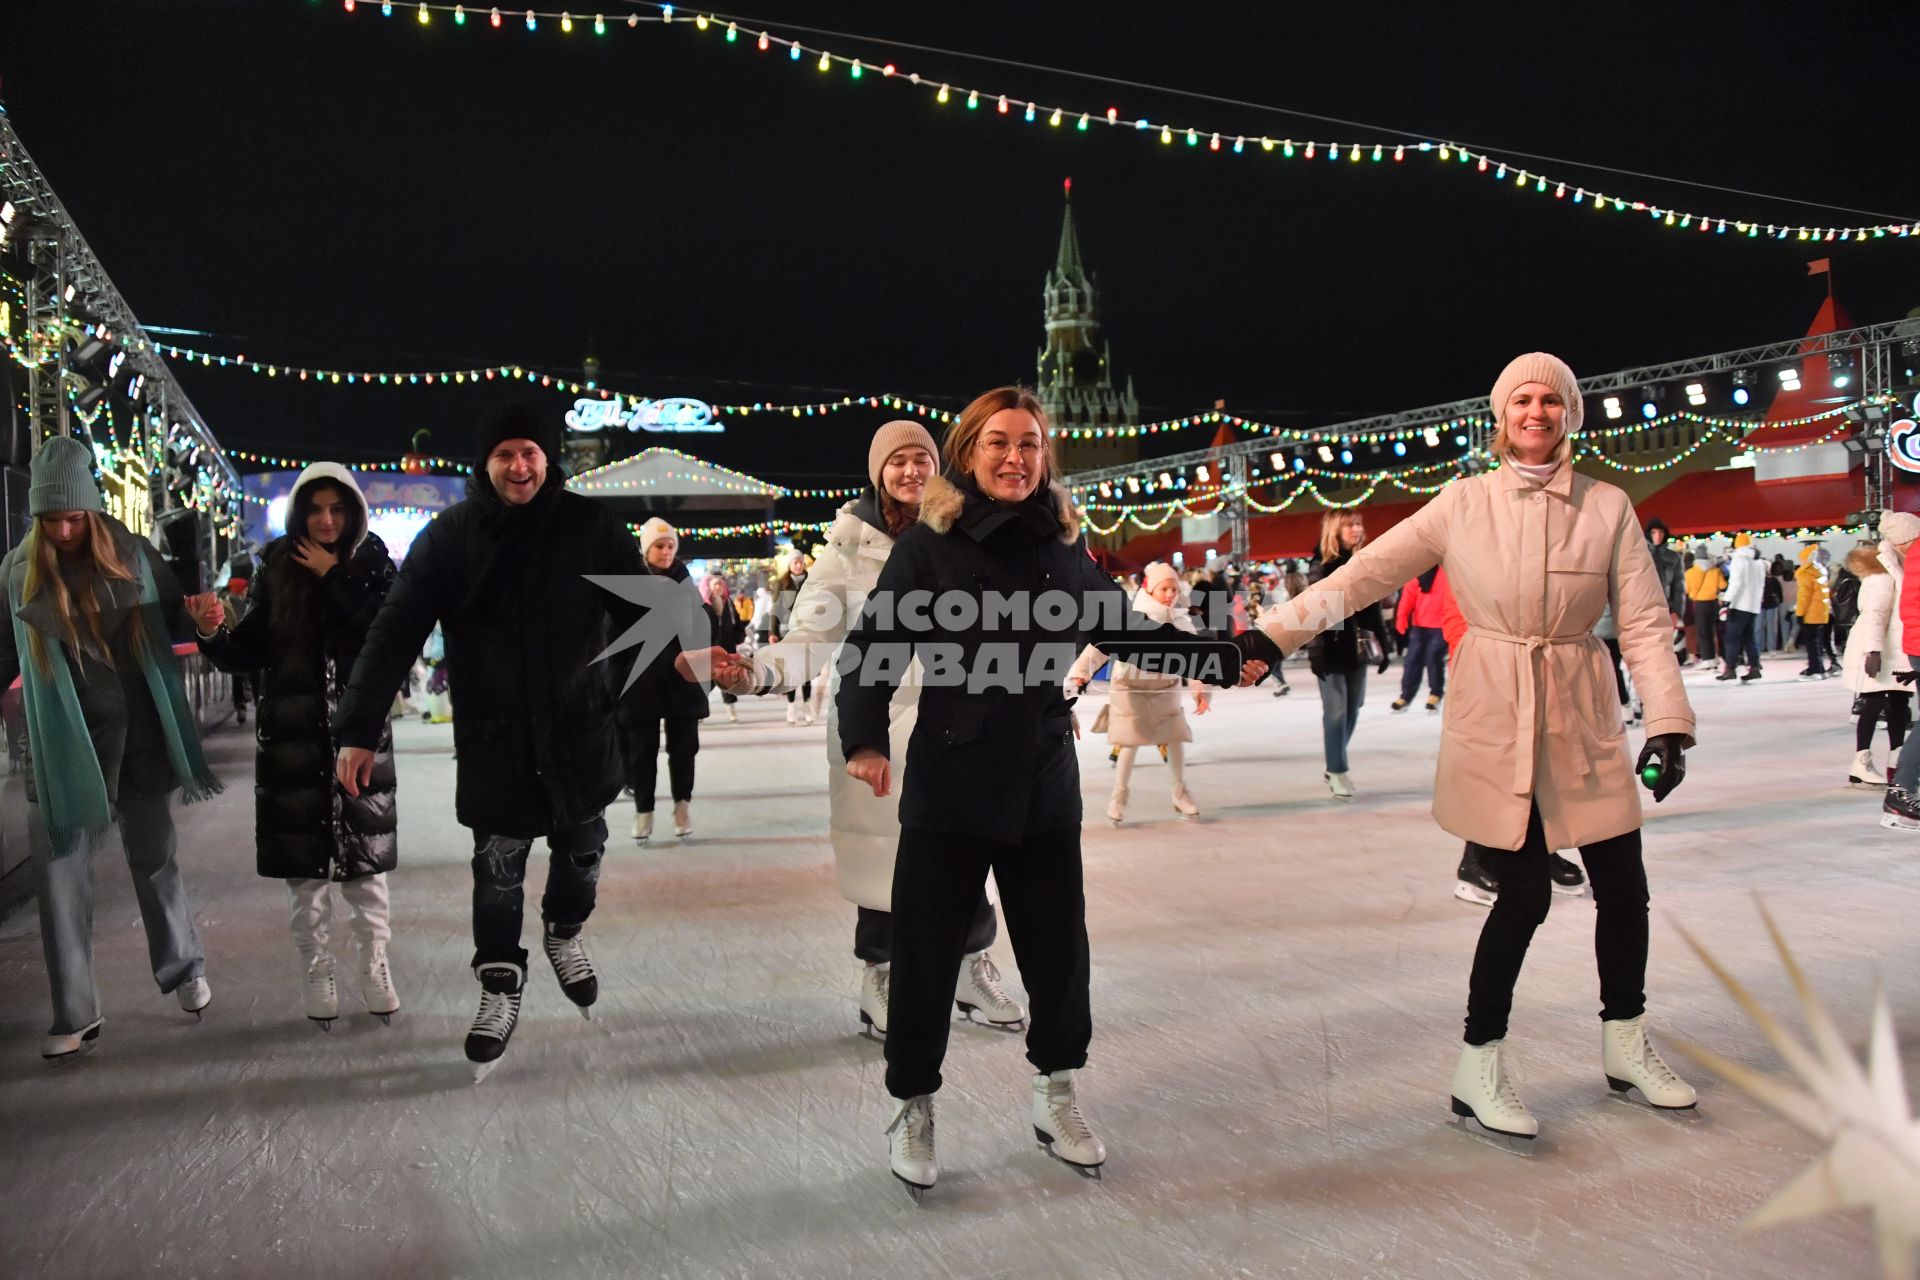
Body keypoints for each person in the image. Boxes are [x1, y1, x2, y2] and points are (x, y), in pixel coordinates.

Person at [833, 386, 1268, 1197]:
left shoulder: (1060, 545)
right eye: (998, 443)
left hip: (1039, 780)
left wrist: (1219, 655)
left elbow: (1123, 624)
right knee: (926, 957)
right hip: (951, 781)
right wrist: (862, 735)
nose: (1015, 458)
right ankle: (914, 1104)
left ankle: (1055, 1092)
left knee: (1058, 954)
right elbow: (875, 643)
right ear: (969, 452)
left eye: (1030, 444)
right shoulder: (930, 545)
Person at [1257, 353, 1698, 1149]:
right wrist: (1269, 635)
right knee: (1524, 894)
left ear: (1571, 415)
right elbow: (1362, 576)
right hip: (1497, 710)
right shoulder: (1462, 503)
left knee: (1624, 889)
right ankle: (1478, 1062)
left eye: (1552, 400)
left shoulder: (1607, 507)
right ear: (1501, 417)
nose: (1537, 411)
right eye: (1522, 399)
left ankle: (1625, 1043)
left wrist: (1667, 720)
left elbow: (1641, 620)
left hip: (1584, 708)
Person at [331, 401, 656, 1080]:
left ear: (548, 458)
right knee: (498, 876)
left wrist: (694, 663)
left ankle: (565, 931)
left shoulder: (591, 527)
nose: (520, 466)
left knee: (584, 852)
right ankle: (500, 988)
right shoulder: (450, 539)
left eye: (531, 452)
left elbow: (647, 616)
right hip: (496, 743)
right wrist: (359, 728)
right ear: (485, 463)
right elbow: (394, 631)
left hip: (578, 737)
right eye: (505, 453)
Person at [696, 420, 1025, 1042]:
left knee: (968, 853)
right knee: (884, 861)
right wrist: (755, 673)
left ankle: (968, 965)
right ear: (878, 473)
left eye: (921, 458)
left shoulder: (970, 531)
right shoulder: (848, 551)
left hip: (966, 724)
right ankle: (881, 975)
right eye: (896, 461)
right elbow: (808, 641)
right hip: (879, 730)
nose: (910, 472)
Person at [0, 437, 219, 1059]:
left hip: (139, 735)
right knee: (59, 876)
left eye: (74, 517)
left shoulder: (136, 556)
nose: (65, 531)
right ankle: (74, 1012)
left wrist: (203, 619)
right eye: (53, 520)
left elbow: (178, 618)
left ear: (93, 511)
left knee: (154, 859)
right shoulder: (16, 572)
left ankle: (183, 966)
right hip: (62, 740)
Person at [190, 465, 401, 1029]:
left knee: (365, 864)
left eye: (337, 509)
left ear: (352, 510)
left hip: (359, 737)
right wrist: (212, 633)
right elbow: (249, 649)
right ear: (300, 512)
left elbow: (382, 637)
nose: (326, 520)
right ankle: (316, 967)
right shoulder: (278, 565)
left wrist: (336, 576)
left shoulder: (374, 563)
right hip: (292, 741)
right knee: (304, 871)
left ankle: (375, 959)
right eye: (316, 509)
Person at [1068, 560, 1212, 824]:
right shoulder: (1134, 615)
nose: (1169, 595)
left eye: (1173, 589)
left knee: (1175, 737)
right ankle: (1118, 797)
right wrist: (1082, 670)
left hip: (1165, 688)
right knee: (1130, 741)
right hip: (1129, 688)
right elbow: (1104, 644)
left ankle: (1180, 793)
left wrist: (1199, 688)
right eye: (1164, 589)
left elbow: (1196, 655)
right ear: (1150, 589)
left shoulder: (1180, 619)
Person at [617, 518, 713, 841]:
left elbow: (705, 633)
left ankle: (681, 806)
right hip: (641, 684)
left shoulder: (687, 586)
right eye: (659, 546)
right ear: (646, 550)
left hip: (682, 684)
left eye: (671, 545)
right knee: (642, 752)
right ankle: (643, 811)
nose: (666, 551)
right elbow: (613, 636)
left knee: (684, 750)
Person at [1307, 511, 1391, 800]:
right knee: (1337, 712)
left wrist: (1384, 643)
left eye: (1359, 523)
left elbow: (1374, 607)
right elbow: (1314, 610)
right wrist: (1315, 651)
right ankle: (1337, 769)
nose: (1358, 529)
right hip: (1331, 647)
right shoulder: (1321, 565)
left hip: (1357, 646)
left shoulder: (1363, 562)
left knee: (1354, 708)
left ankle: (1335, 764)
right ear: (1336, 530)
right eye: (1351, 525)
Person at [1839, 532, 1909, 790]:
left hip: (1896, 647)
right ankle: (1861, 761)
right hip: (1880, 647)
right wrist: (1873, 650)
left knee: (1900, 702)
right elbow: (1874, 614)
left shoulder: (1898, 566)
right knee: (1873, 701)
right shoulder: (1881, 572)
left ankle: (1897, 760)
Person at [1391, 566, 1450, 712]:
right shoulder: (1422, 568)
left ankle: (1436, 693)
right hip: (1420, 624)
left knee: (1433, 657)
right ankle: (1406, 696)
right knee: (1412, 660)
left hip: (1443, 624)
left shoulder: (1450, 570)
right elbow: (1409, 594)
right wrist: (1402, 616)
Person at [770, 551, 818, 724]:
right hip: (787, 632)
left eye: (800, 562)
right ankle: (791, 707)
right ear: (789, 565)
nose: (798, 566)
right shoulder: (782, 583)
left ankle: (806, 705)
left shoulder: (812, 582)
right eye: (794, 563)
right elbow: (775, 610)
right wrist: (772, 633)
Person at [1718, 533, 1764, 683]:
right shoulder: (1758, 561)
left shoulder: (1739, 559)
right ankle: (1755, 667)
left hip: (1740, 605)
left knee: (1731, 637)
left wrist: (1726, 600)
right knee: (1749, 637)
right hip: (1753, 605)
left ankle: (1730, 668)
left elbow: (1736, 583)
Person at [703, 573, 749, 723]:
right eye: (715, 584)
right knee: (706, 680)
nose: (718, 587)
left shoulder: (728, 602)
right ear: (709, 587)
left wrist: (739, 634)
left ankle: (731, 708)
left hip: (728, 646)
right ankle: (701, 711)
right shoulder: (704, 603)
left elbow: (736, 622)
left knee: (728, 678)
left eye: (720, 584)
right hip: (710, 648)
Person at [1795, 544, 1835, 679]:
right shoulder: (1820, 571)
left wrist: (1799, 613)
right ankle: (1819, 668)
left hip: (1810, 614)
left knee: (1811, 644)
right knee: (1817, 642)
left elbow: (1804, 597)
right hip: (1821, 614)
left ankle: (1815, 669)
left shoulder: (1806, 574)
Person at [1683, 543, 1725, 665]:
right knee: (1712, 631)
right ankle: (1716, 657)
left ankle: (1707, 659)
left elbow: (1687, 590)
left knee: (1702, 632)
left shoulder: (1690, 572)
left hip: (1700, 604)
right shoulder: (1715, 570)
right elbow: (1723, 585)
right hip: (1713, 603)